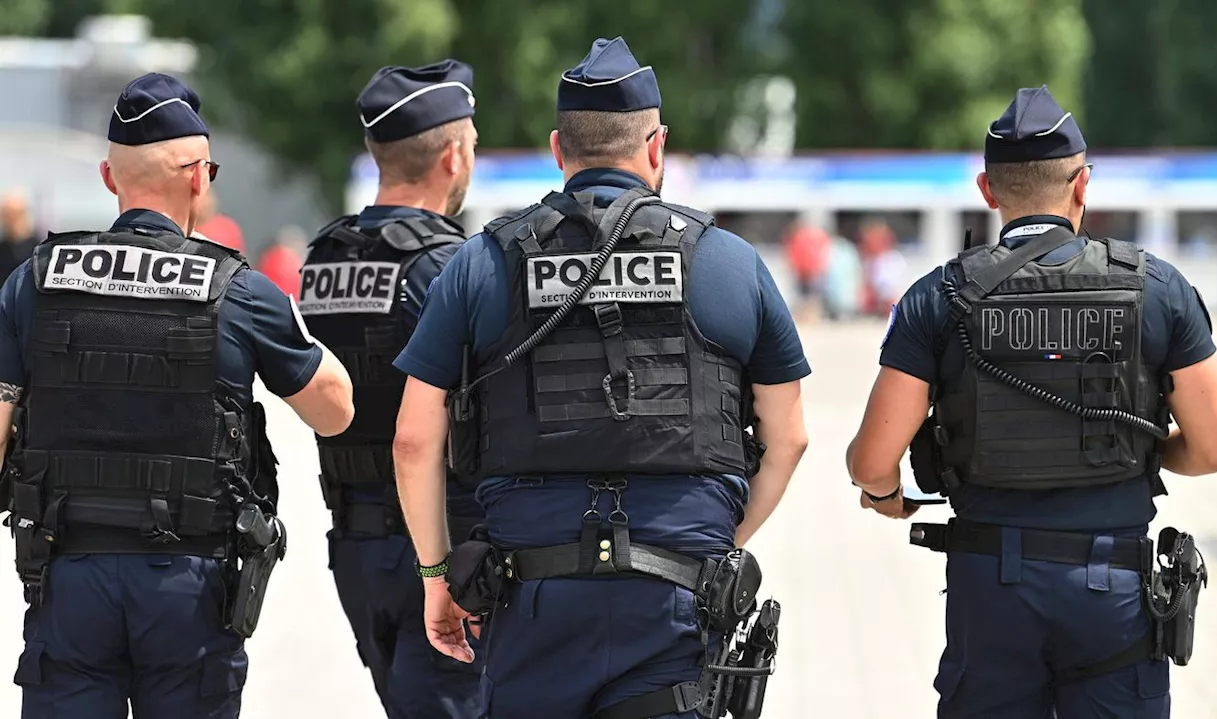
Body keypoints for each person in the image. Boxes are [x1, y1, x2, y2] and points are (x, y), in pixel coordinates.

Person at [391, 37, 810, 719]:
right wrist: (709, 548)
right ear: (656, 147)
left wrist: (438, 576)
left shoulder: (481, 264)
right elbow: (788, 437)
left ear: (560, 149)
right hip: (675, 599)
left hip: (531, 598)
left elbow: (413, 440)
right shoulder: (728, 262)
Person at [845, 86, 1217, 718]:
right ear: (1082, 185)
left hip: (990, 590)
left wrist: (890, 496)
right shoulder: (1158, 288)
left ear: (987, 189)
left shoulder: (936, 299)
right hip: (1113, 592)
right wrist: (1141, 442)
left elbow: (870, 462)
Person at [0, 73, 355, 718]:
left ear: (111, 179)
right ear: (198, 177)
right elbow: (335, 411)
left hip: (66, 574)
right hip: (187, 587)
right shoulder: (239, 291)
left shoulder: (33, 283)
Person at [299, 59, 481, 718]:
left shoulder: (324, 258)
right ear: (454, 156)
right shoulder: (451, 267)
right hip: (440, 543)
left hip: (354, 544)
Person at [0, 189, 41, 284]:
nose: (9, 219)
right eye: (6, 214)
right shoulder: (2, 249)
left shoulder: (39, 249)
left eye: (14, 214)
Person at [193, 187, 247, 254]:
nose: (204, 203)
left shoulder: (227, 227)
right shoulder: (182, 229)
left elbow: (239, 258)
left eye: (206, 195)